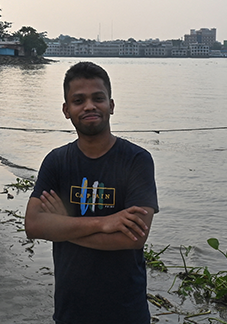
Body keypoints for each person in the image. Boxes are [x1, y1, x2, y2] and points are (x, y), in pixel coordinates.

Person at [24, 61, 159, 324]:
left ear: (111, 105)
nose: (89, 106)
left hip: (126, 311)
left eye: (98, 98)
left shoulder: (137, 160)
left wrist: (62, 227)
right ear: (66, 110)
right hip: (71, 310)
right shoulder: (57, 161)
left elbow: (133, 238)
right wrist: (105, 223)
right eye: (78, 100)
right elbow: (33, 225)